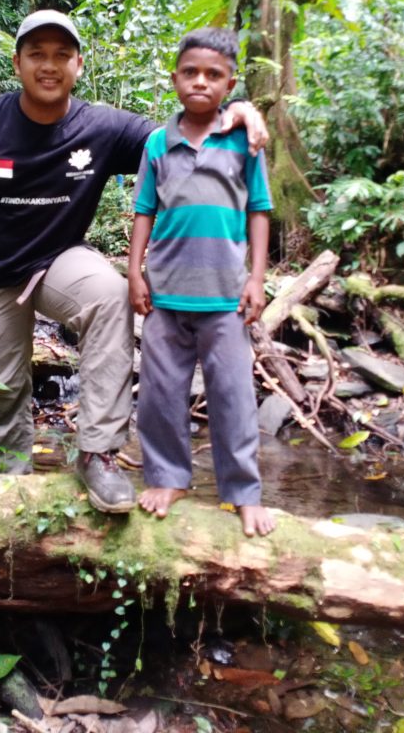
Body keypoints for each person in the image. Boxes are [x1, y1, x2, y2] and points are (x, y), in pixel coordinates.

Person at [0, 9, 267, 514]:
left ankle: (97, 452)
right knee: (3, 394)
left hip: (59, 262)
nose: (48, 66)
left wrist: (238, 112)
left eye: (60, 56)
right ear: (17, 63)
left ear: (78, 65)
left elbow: (182, 135)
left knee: (111, 294)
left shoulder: (103, 127)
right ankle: (10, 497)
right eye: (36, 54)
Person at [128, 26, 276, 536]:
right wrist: (133, 272)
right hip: (165, 293)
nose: (200, 82)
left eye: (213, 75)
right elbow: (145, 210)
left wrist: (257, 279)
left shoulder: (244, 141)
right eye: (190, 72)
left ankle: (243, 491)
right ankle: (169, 477)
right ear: (174, 78)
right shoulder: (156, 142)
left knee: (233, 394)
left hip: (226, 296)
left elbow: (259, 211)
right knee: (159, 394)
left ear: (229, 83)